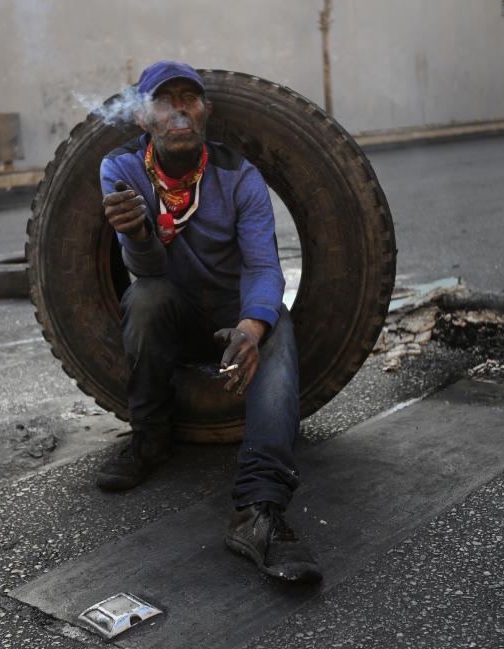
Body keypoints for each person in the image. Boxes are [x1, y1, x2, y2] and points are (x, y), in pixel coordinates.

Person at [98, 60, 321, 584]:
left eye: (190, 98)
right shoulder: (121, 167)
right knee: (147, 299)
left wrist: (251, 328)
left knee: (277, 329)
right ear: (142, 116)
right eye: (165, 99)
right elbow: (147, 273)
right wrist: (137, 236)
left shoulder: (238, 174)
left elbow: (265, 267)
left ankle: (258, 508)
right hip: (172, 303)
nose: (180, 107)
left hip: (228, 308)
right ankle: (151, 439)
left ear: (206, 111)